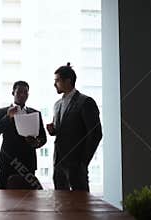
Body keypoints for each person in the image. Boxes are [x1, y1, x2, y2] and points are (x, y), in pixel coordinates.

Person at [46, 62, 102, 192]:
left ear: (68, 81)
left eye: (57, 81)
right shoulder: (57, 105)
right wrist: (53, 131)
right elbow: (63, 130)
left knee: (81, 206)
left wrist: (83, 162)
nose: (54, 84)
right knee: (60, 204)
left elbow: (96, 134)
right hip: (59, 164)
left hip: (77, 165)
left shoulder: (86, 102)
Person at [0, 81, 47, 189]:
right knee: (4, 199)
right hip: (7, 163)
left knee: (29, 199)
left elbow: (43, 138)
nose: (22, 95)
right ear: (13, 93)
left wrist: (37, 142)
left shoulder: (35, 113)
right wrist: (8, 117)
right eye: (19, 92)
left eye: (25, 92)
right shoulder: (2, 112)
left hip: (28, 163)